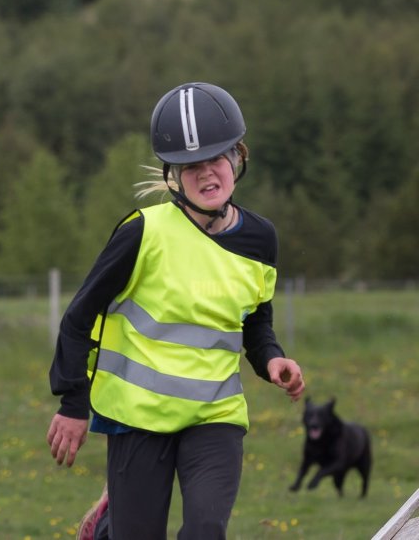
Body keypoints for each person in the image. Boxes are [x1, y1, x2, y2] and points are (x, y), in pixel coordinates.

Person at [46, 82, 305, 539]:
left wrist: (271, 359)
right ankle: (112, 523)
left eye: (216, 159)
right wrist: (72, 402)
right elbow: (79, 317)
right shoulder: (141, 233)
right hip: (137, 418)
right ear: (172, 175)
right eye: (191, 167)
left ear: (237, 158)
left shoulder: (261, 240)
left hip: (214, 416)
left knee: (205, 530)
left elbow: (255, 321)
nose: (207, 174)